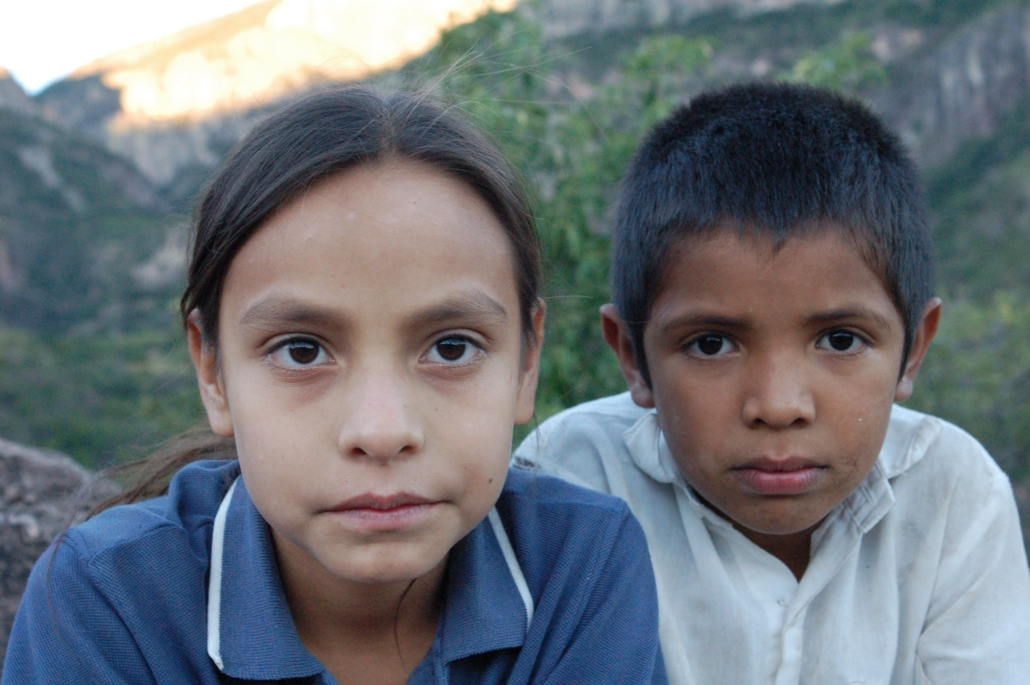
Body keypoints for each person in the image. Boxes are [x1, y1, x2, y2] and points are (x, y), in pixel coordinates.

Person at [3, 87, 666, 685]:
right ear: (213, 372)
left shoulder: (579, 567)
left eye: (451, 347)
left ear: (527, 361)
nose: (381, 431)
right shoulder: (107, 601)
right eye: (302, 350)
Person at [514, 82, 1030, 684]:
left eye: (840, 340)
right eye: (711, 344)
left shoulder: (952, 496)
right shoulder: (568, 478)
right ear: (633, 356)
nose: (779, 407)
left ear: (913, 350)